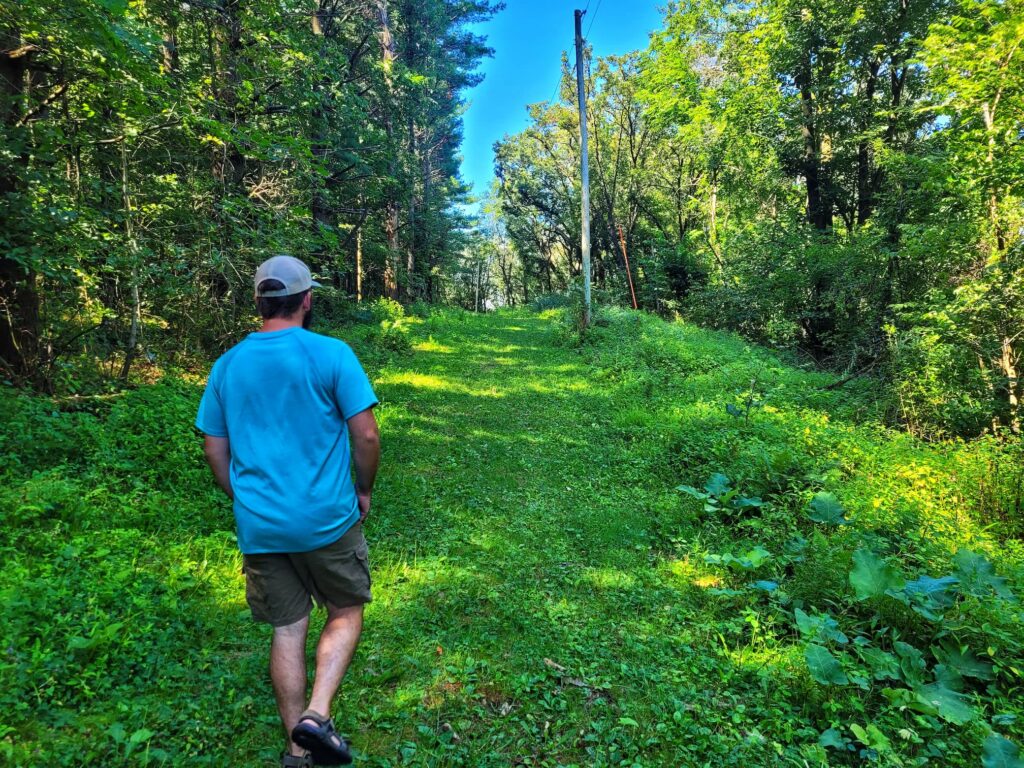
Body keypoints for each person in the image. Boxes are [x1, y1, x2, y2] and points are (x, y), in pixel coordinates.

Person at [195, 255, 381, 767]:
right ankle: (317, 716)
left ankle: (298, 752)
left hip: (262, 525)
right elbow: (365, 433)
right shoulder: (331, 354)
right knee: (345, 610)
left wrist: (242, 497)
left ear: (258, 302)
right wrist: (363, 489)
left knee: (287, 627)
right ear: (306, 300)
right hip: (326, 518)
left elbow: (214, 446)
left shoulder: (227, 366)